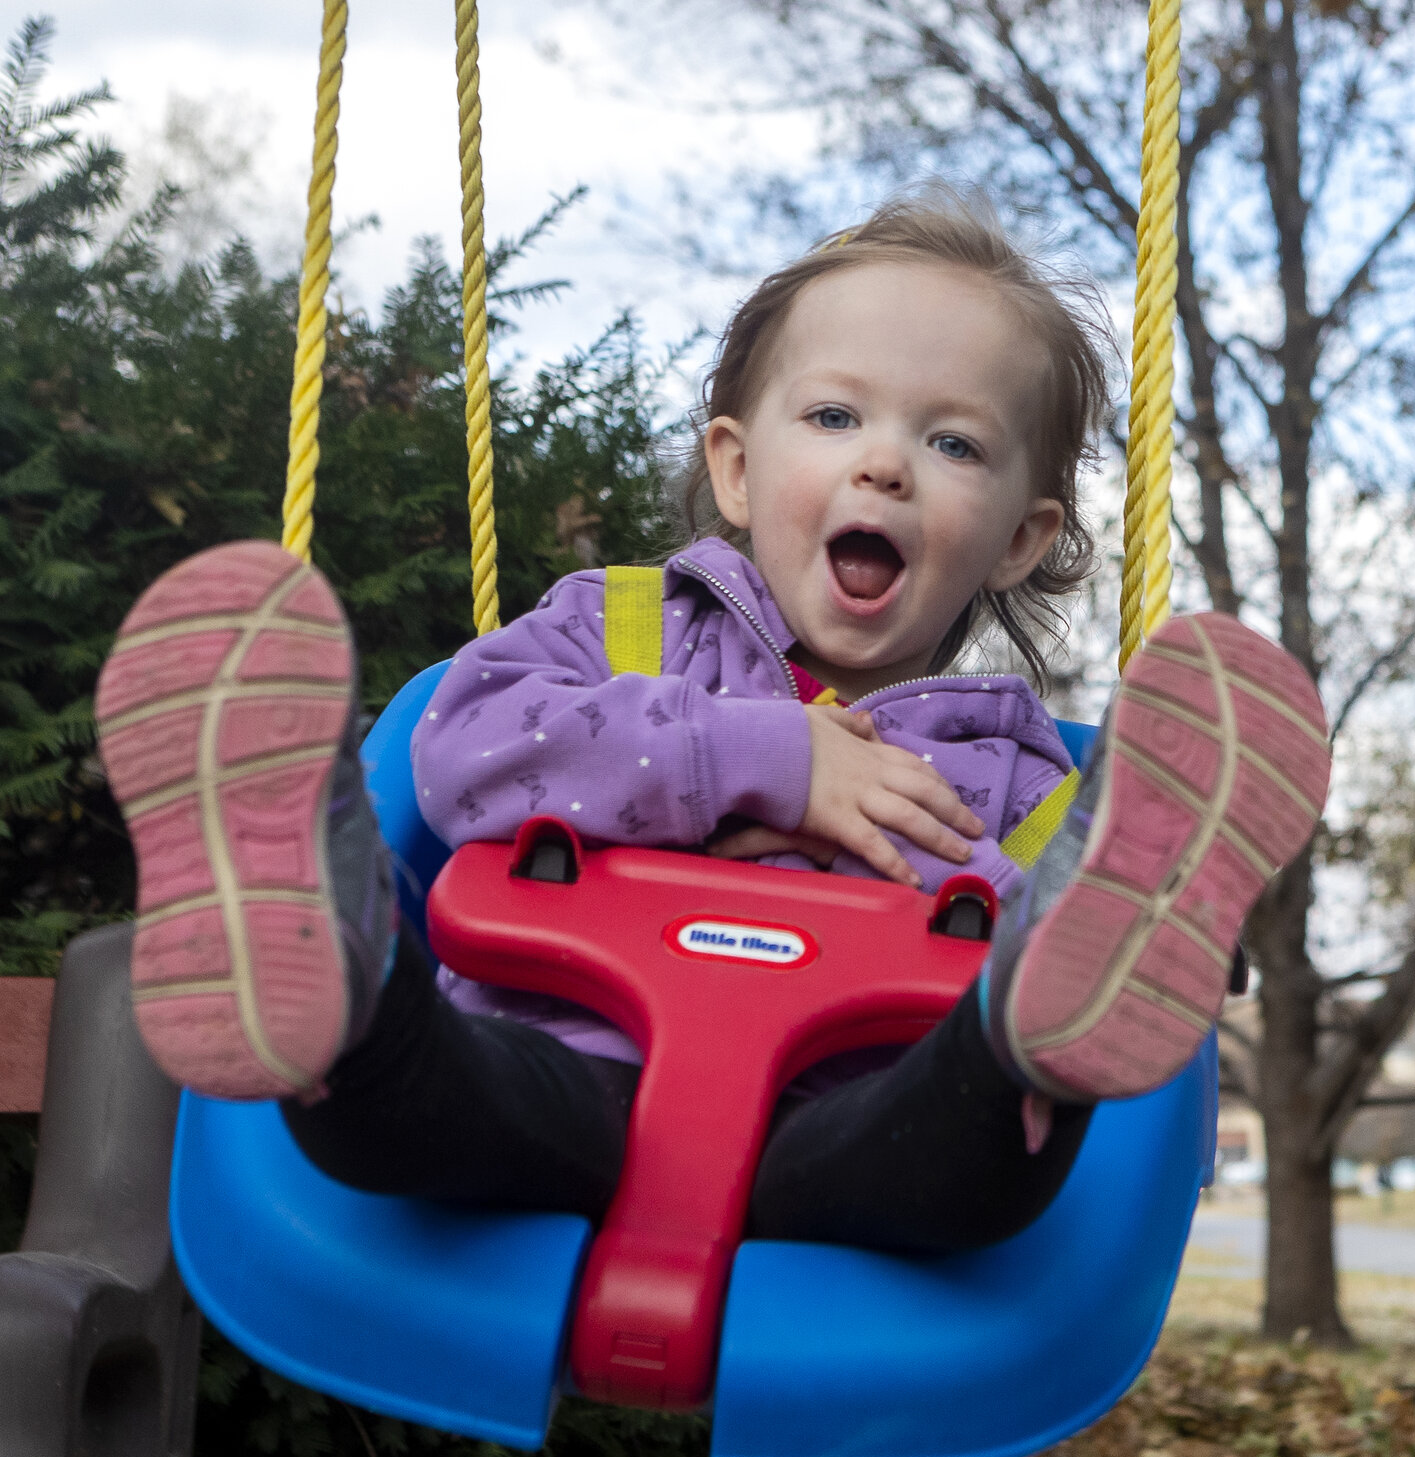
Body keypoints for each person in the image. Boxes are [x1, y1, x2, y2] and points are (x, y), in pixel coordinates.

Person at [95, 190, 1331, 1255]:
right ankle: (334, 971)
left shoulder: (1020, 777)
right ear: (737, 470)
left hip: (843, 1140)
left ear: (1019, 539)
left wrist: (941, 891)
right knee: (416, 1092)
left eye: (952, 441)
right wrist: (759, 762)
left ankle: (1037, 1045)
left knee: (977, 1130)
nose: (885, 465)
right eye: (836, 417)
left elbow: (994, 933)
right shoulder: (620, 633)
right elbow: (461, 754)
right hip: (557, 1075)